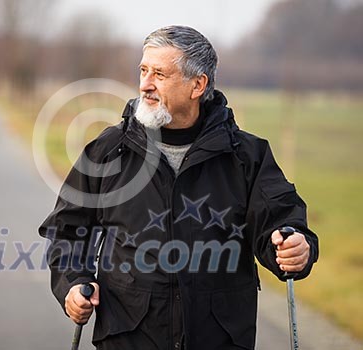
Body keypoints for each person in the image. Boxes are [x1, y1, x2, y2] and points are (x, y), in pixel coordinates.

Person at [39, 25, 319, 350]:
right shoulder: (108, 151)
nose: (145, 84)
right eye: (143, 71)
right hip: (127, 338)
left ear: (197, 85)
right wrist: (73, 284)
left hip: (219, 339)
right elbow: (67, 231)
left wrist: (294, 246)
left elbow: (281, 222)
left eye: (160, 74)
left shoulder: (247, 157)